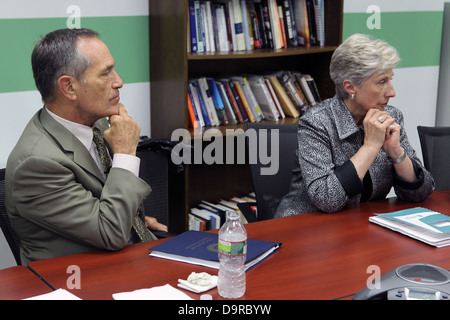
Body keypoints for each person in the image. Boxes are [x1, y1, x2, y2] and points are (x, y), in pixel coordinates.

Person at [5, 28, 167, 264]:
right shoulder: (36, 163)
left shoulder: (99, 124)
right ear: (69, 87)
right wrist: (125, 153)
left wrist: (135, 222)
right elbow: (110, 233)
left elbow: (107, 206)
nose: (119, 82)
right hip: (81, 281)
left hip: (128, 257)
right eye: (106, 74)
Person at [276, 34, 435, 217]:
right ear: (350, 87)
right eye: (382, 82)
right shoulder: (317, 122)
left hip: (359, 223)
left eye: (391, 80)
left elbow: (421, 193)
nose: (392, 92)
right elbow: (327, 200)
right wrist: (371, 146)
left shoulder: (391, 116)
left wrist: (396, 153)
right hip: (305, 226)